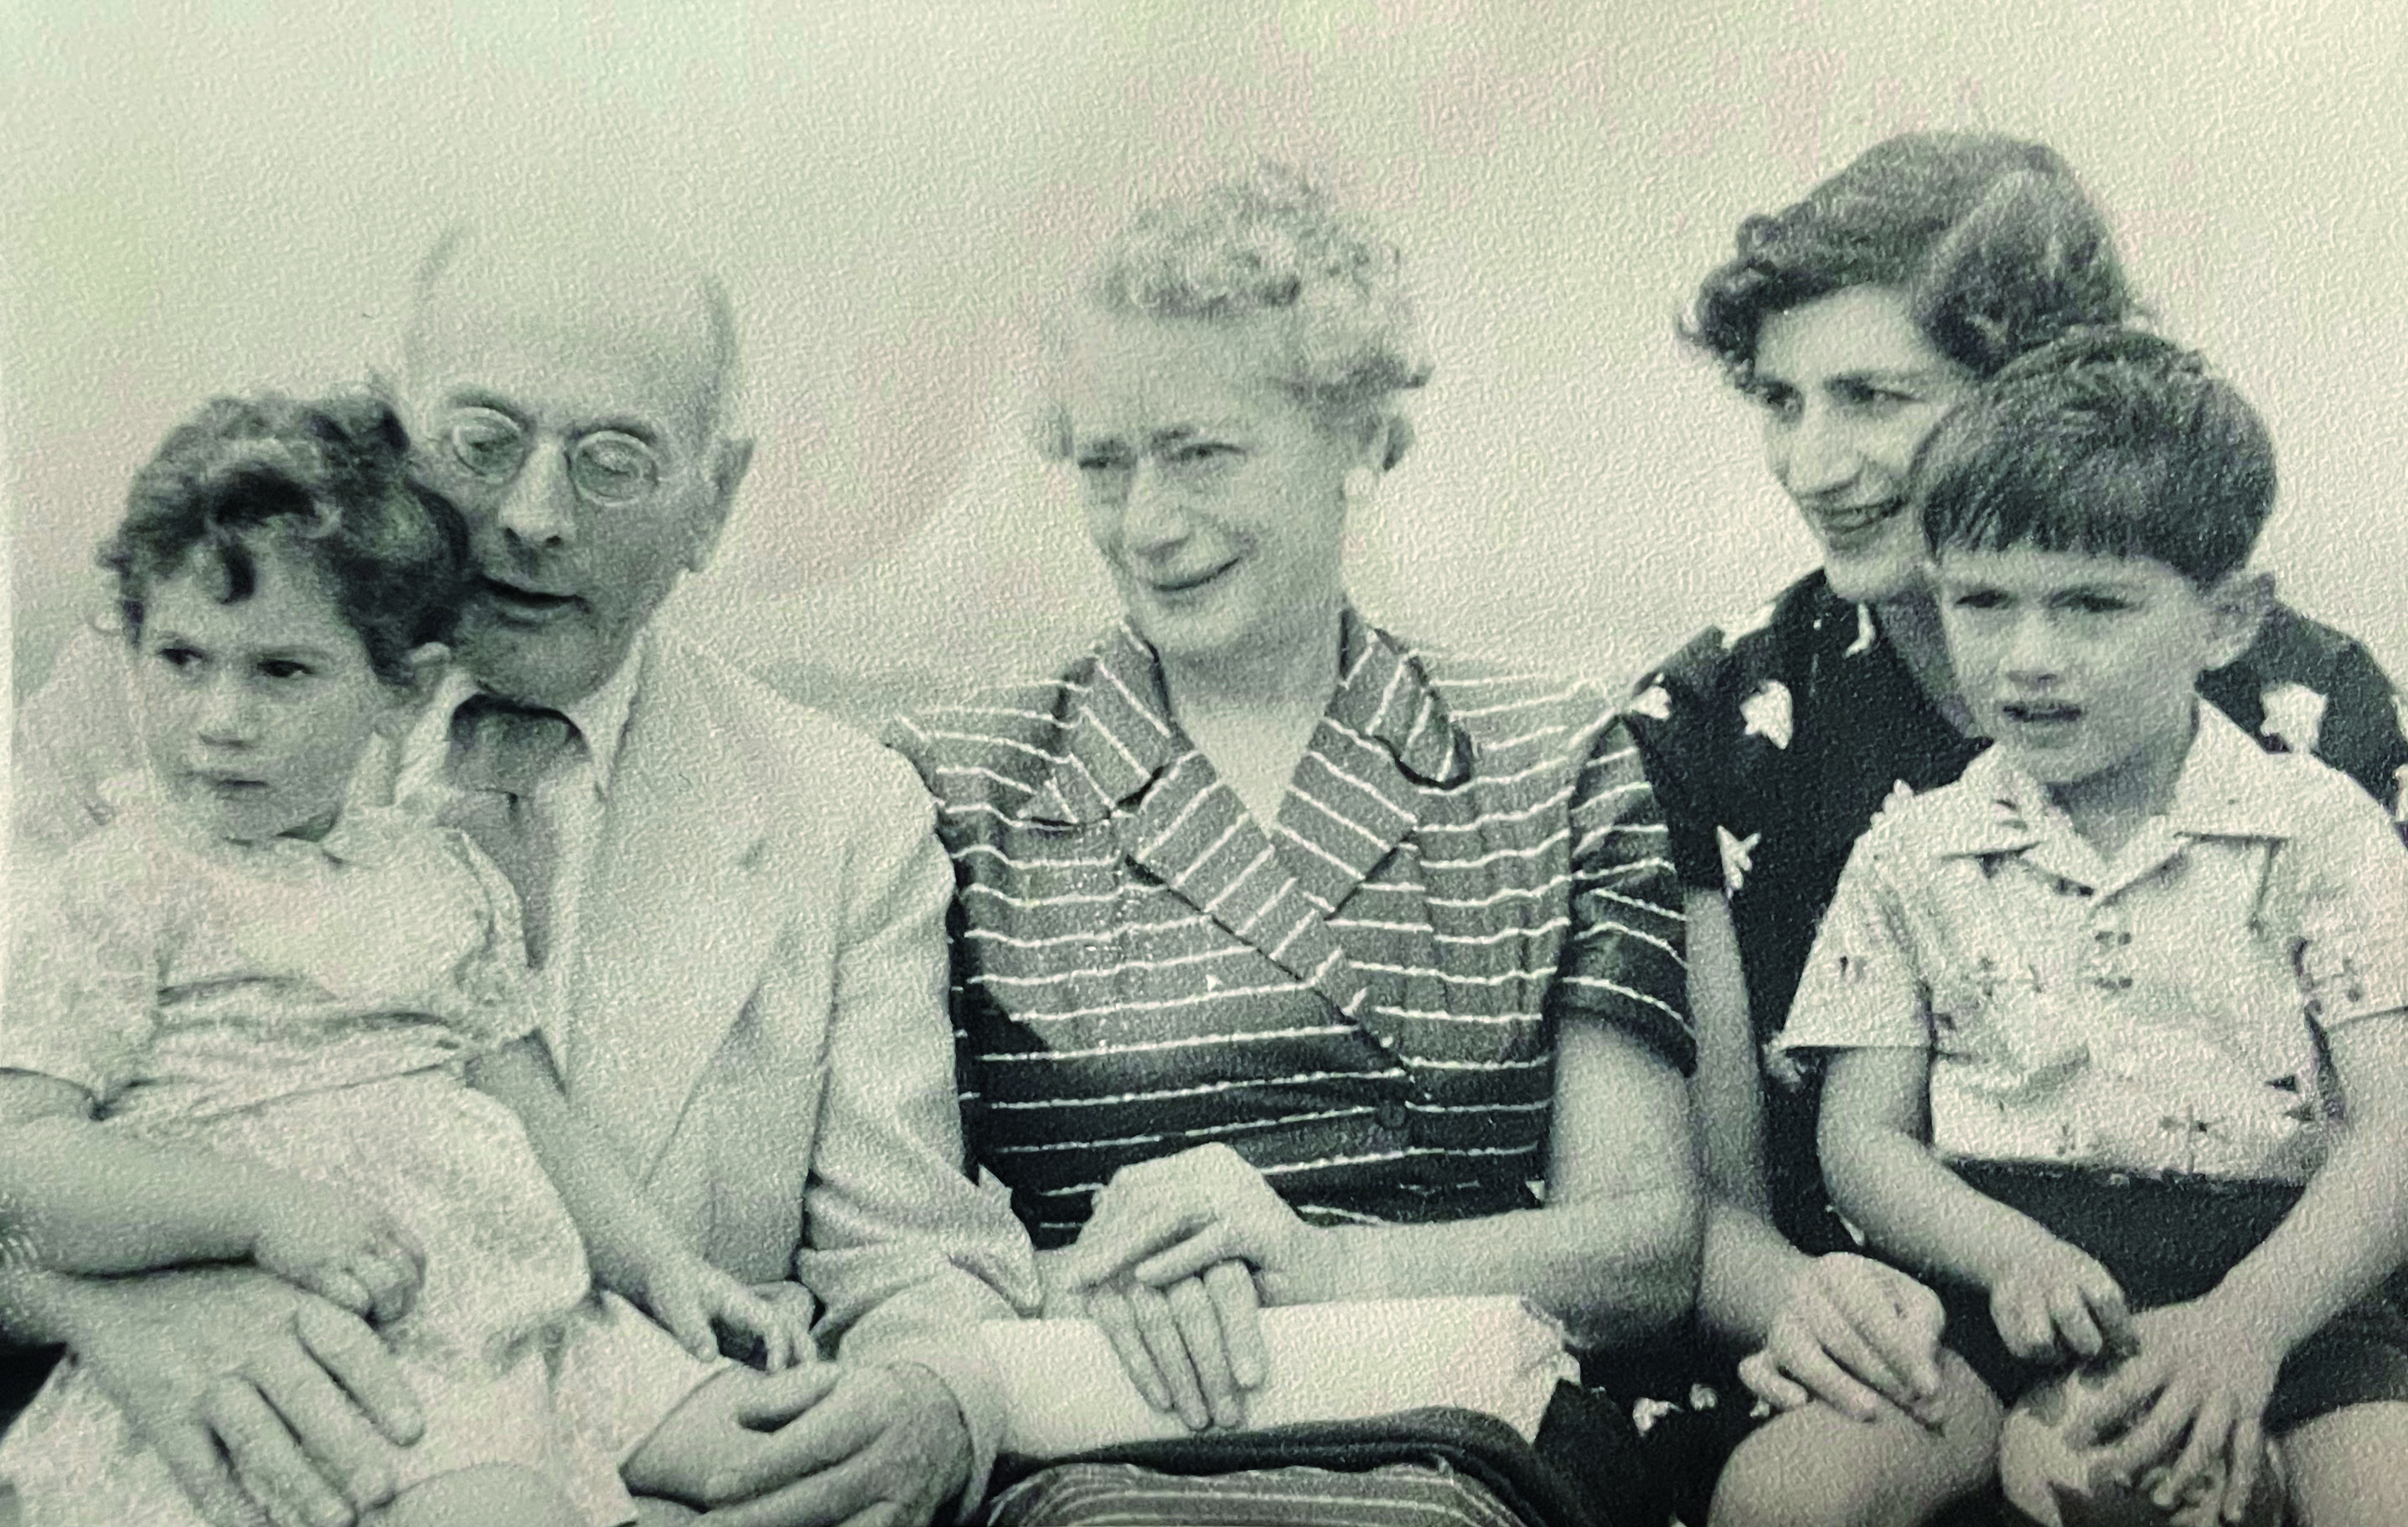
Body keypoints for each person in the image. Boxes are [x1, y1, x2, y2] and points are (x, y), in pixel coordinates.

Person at [3, 227, 1039, 1527]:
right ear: (391, 436)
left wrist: (932, 1409)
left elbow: (914, 1264)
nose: (534, 519)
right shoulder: (150, 717)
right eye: (481, 444)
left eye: (614, 463)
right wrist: (119, 1300)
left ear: (714, 499)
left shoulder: (840, 812)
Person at [887, 164, 1701, 1526]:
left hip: (1466, 1434)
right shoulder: (962, 783)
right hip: (1094, 1440)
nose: (1146, 522)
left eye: (1201, 452)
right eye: (1103, 462)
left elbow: (1644, 1251)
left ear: (1363, 442)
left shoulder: (1545, 752)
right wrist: (1104, 1281)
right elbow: (891, 1245)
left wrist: (1305, 1266)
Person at [1615, 132, 2408, 1524]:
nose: (1813, 460)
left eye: (1872, 395)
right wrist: (1850, 1303)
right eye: (1781, 399)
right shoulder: (1717, 720)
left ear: (2033, 391)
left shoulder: (2305, 714)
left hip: (2279, 1302)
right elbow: (1721, 1197)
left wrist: (2240, 1333)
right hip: (1925, 1319)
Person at [0, 391, 830, 1524]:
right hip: (324, 1346)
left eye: (281, 671)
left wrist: (654, 1262)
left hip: (516, 1316)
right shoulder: (123, 885)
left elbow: (524, 1096)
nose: (218, 719)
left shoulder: (433, 872)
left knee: (784, 1450)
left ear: (399, 688)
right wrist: (255, 1209)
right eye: (181, 658)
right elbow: (24, 1162)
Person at [1765, 328, 2408, 1527]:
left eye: (2092, 605)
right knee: (1784, 1490)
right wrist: (2003, 1253)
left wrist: (2251, 1320)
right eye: (1982, 602)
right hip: (1999, 1276)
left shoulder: (2319, 832)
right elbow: (1860, 1135)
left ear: (2226, 621)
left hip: (2278, 1276)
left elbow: (2398, 1127)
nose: (2028, 658)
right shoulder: (1913, 848)